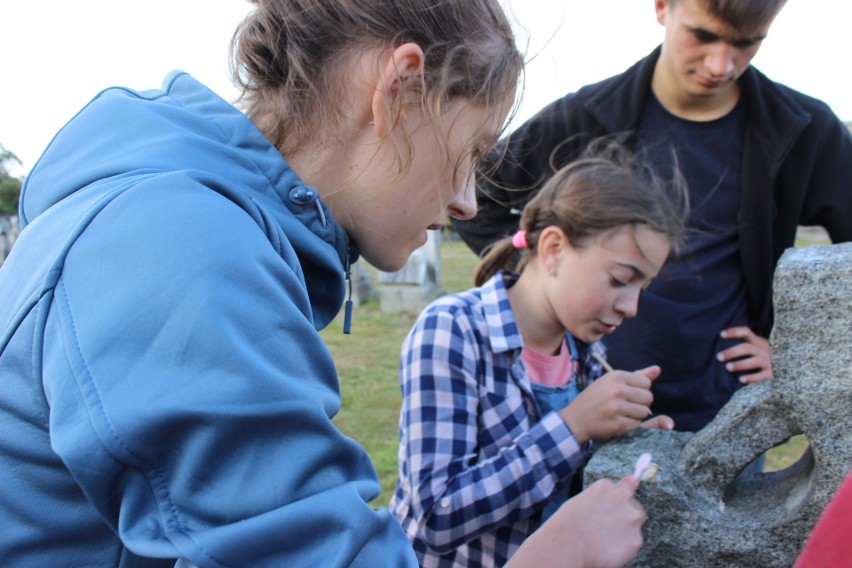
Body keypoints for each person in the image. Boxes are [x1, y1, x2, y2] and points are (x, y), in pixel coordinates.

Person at [0, 1, 525, 566]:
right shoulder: (176, 238)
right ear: (399, 86)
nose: (467, 201)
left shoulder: (185, 220)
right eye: (471, 151)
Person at [451, 0, 852, 433]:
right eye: (703, 35)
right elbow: (475, 190)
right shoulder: (579, 117)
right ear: (663, 7)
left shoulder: (804, 128)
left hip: (728, 412)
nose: (721, 63)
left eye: (746, 44)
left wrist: (798, 349)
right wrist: (549, 272)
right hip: (590, 404)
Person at [391, 146, 686, 567]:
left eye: (643, 287)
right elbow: (434, 518)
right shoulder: (453, 330)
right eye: (621, 280)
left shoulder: (587, 353)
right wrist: (574, 424)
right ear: (552, 249)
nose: (631, 306)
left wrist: (623, 444)